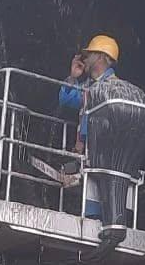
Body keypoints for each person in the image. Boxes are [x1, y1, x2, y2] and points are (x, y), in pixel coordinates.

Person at [58, 34, 138, 243]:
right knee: (92, 197)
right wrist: (73, 77)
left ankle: (105, 232)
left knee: (104, 198)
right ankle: (96, 233)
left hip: (107, 154)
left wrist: (82, 139)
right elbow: (67, 99)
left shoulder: (115, 86)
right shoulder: (89, 86)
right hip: (92, 153)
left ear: (102, 57)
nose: (87, 57)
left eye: (91, 53)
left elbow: (100, 118)